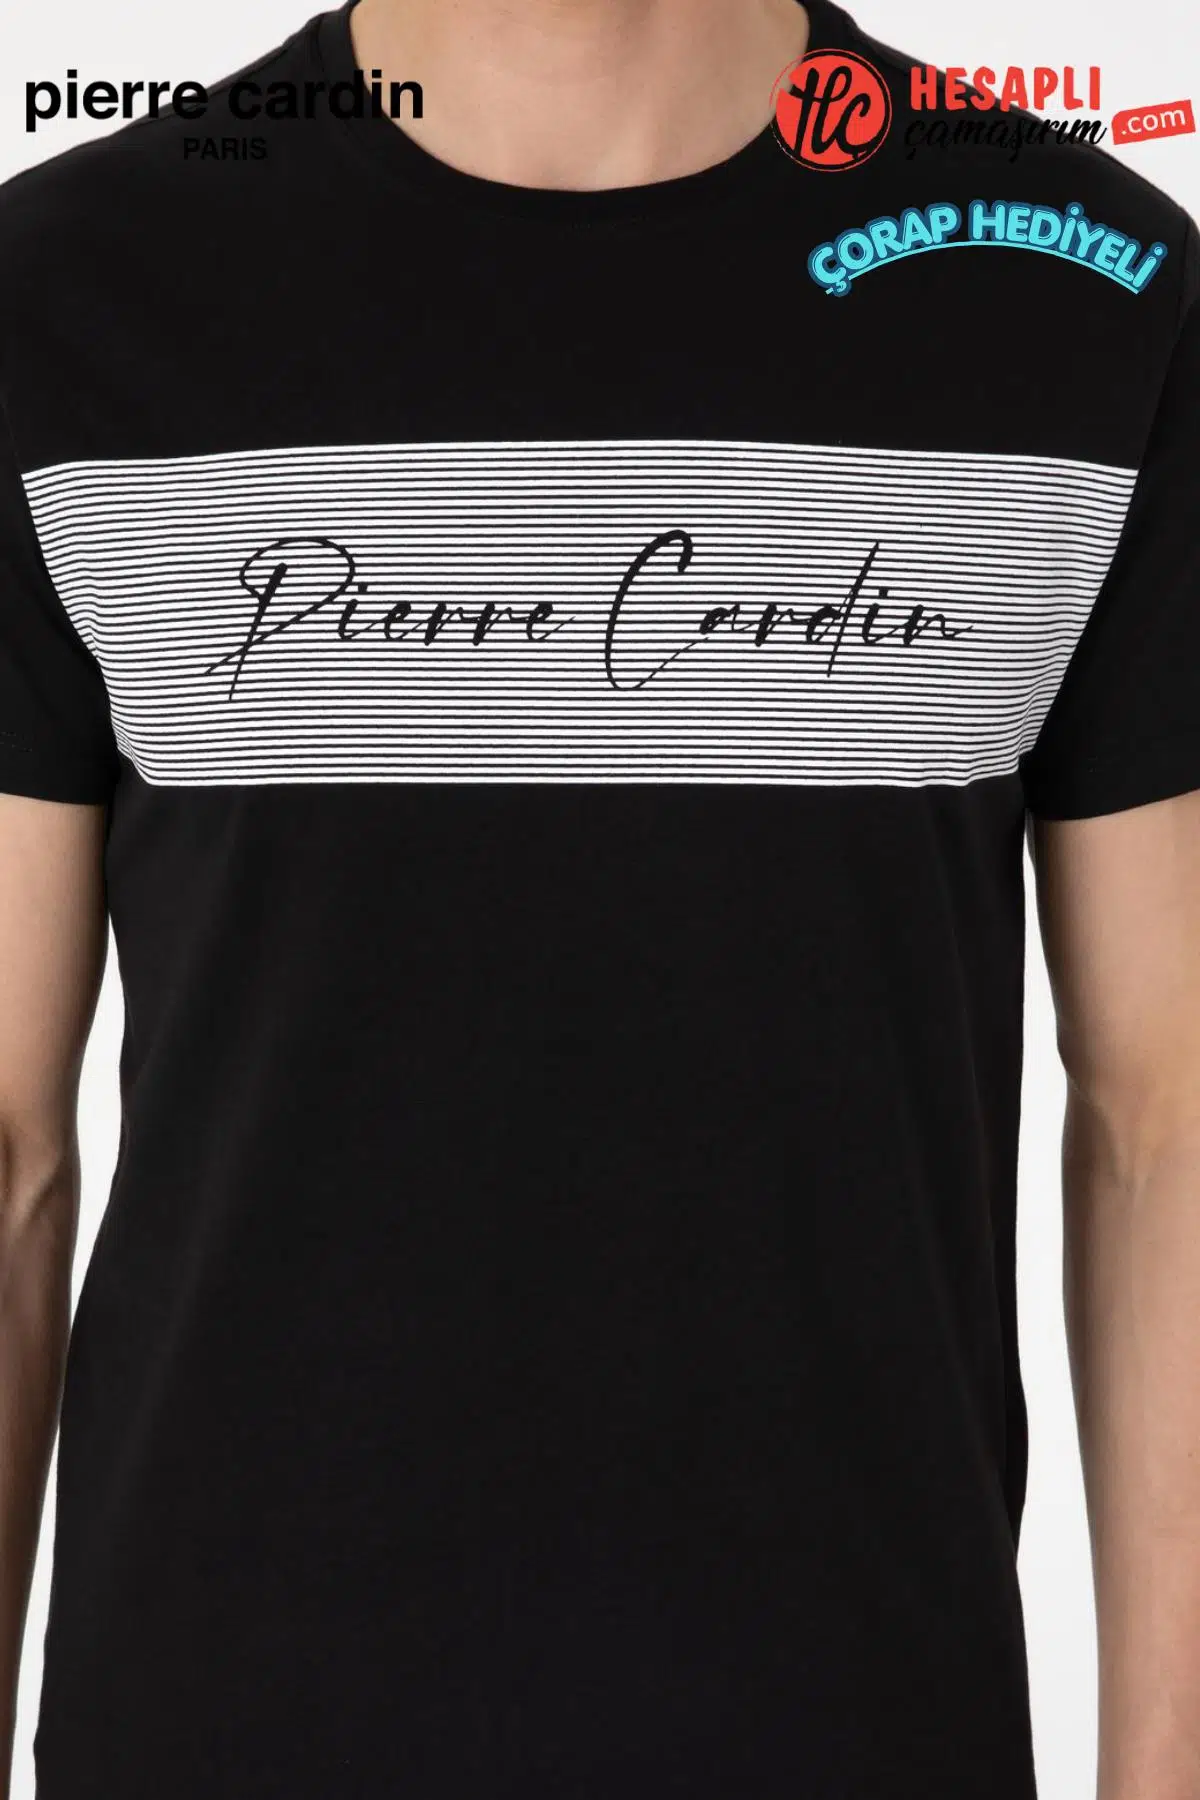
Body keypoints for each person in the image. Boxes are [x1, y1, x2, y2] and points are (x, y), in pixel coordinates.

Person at [1, 0, 1198, 1792]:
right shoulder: (71, 290)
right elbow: (8, 1148)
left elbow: (1164, 1121)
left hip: (862, 1725)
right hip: (216, 1724)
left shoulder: (1081, 291)